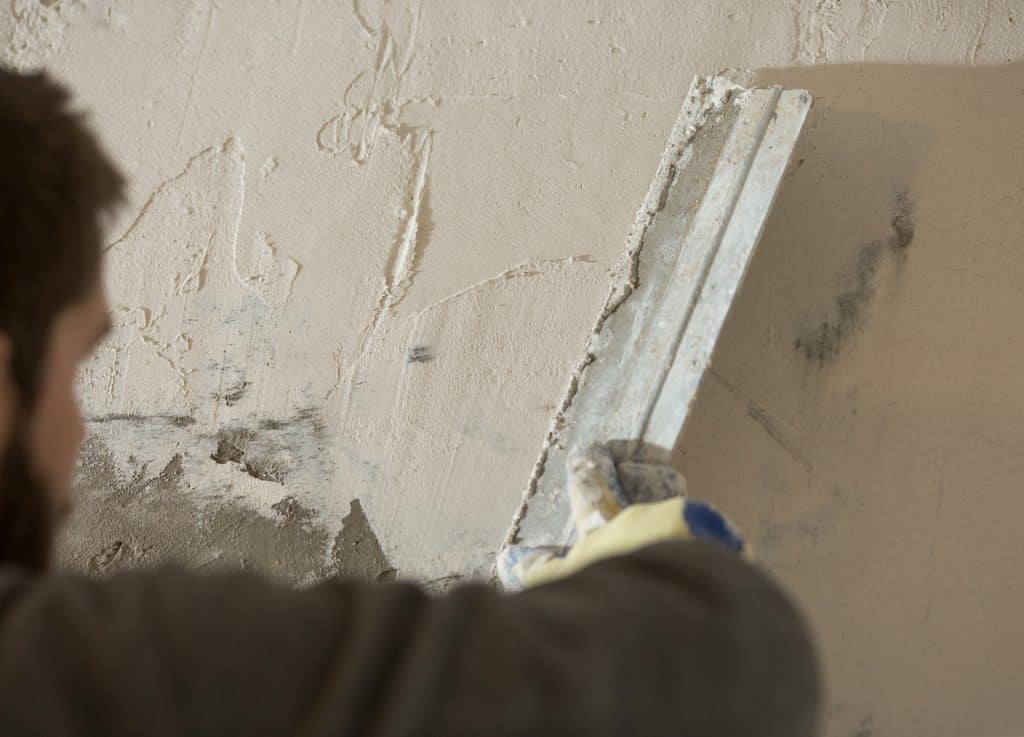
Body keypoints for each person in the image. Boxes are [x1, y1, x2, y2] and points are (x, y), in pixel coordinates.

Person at [0, 68, 821, 736]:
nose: (77, 431)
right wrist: (663, 560)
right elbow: (731, 663)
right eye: (75, 369)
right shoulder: (62, 671)